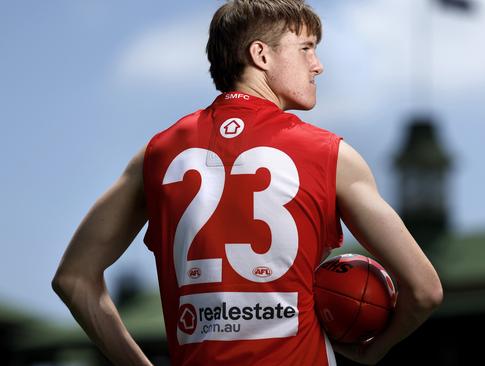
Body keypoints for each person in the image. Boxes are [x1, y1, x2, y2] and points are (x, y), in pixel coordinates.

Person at [52, 0, 443, 365]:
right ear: (261, 55)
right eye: (306, 48)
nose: (318, 65)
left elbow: (73, 279)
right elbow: (425, 291)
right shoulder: (333, 155)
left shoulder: (155, 155)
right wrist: (374, 352)